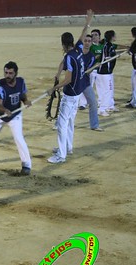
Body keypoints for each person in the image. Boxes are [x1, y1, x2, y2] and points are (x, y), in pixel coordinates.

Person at [47, 10, 92, 164]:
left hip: (71, 94)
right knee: (70, 122)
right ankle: (68, 147)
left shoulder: (68, 57)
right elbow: (84, 32)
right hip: (78, 93)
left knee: (61, 124)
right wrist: (88, 20)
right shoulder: (78, 48)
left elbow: (68, 79)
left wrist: (54, 88)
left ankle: (61, 155)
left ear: (63, 44)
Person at [96, 30, 119, 113]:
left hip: (107, 72)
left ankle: (110, 106)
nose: (116, 36)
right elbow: (106, 58)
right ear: (112, 37)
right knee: (107, 90)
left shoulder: (109, 46)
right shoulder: (107, 46)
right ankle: (102, 109)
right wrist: (115, 55)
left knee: (109, 89)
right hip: (105, 72)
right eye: (115, 35)